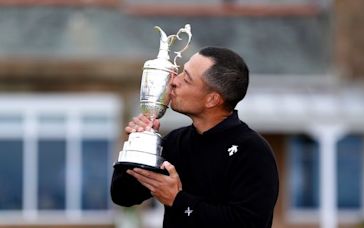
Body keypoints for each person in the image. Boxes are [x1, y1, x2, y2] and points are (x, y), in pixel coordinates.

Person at [110, 47, 279, 228]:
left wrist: (178, 200)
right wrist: (139, 145)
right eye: (181, 72)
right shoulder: (177, 141)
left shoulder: (252, 151)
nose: (174, 81)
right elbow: (123, 195)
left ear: (212, 99)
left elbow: (247, 223)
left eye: (187, 79)